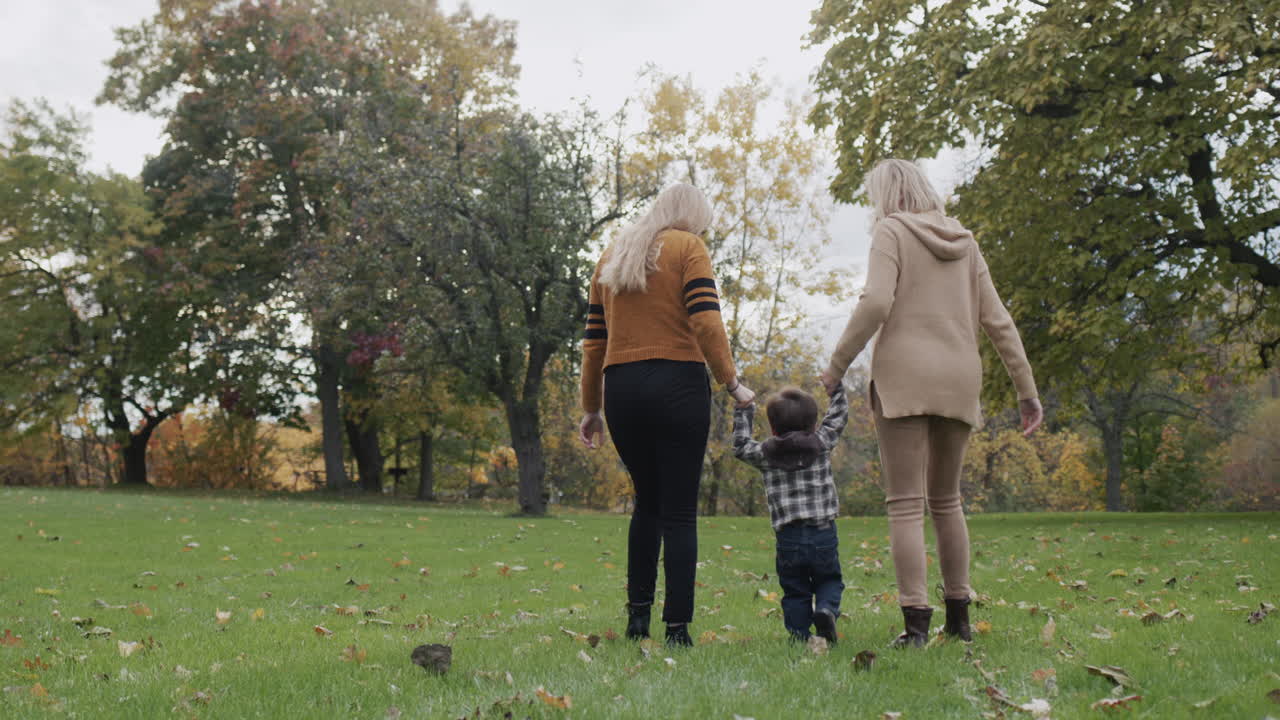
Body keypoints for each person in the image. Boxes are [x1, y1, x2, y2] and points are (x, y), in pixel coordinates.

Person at [819, 159, 1043, 648]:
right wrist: (1026, 390)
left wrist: (837, 365)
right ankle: (959, 621)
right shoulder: (966, 242)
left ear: (887, 195)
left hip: (903, 376)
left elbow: (876, 302)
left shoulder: (891, 233)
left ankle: (916, 625)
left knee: (904, 505)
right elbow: (999, 320)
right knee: (947, 501)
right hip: (959, 378)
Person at [578, 183, 755, 647]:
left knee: (647, 505)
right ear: (692, 215)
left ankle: (638, 621)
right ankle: (677, 629)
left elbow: (594, 341)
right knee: (678, 512)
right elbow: (705, 319)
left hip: (622, 390)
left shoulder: (614, 254)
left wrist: (590, 408)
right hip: (678, 383)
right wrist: (731, 381)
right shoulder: (687, 247)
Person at [731, 382, 849, 644]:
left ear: (773, 428)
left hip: (789, 538)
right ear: (813, 424)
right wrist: (837, 390)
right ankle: (826, 610)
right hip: (823, 533)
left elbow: (740, 446)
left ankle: (799, 636)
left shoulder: (764, 453)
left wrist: (744, 410)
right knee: (829, 579)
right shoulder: (821, 442)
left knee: (795, 590)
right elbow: (838, 419)